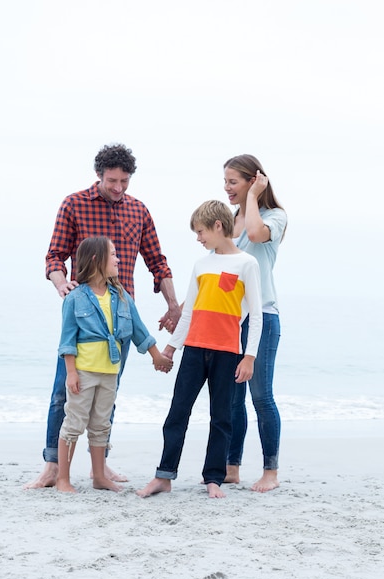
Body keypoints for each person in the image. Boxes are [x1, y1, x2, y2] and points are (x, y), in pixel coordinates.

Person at [24, 143, 181, 490]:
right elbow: (54, 256)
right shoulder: (74, 204)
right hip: (84, 318)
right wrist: (61, 283)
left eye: (125, 181)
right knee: (64, 392)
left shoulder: (138, 210)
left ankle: (100, 466)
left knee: (107, 394)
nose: (119, 187)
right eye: (113, 180)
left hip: (120, 321)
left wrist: (172, 304)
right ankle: (53, 466)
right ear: (99, 175)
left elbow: (158, 261)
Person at [136, 200, 262, 499]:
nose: (198, 238)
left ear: (218, 226)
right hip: (194, 350)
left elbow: (255, 315)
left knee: (221, 418)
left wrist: (249, 356)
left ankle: (213, 479)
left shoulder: (246, 263)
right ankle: (164, 476)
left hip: (227, 352)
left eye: (201, 231)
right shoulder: (201, 265)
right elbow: (189, 312)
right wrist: (170, 349)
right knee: (177, 413)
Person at [56, 237, 172, 493]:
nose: (119, 259)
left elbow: (139, 330)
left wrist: (156, 356)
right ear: (97, 259)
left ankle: (99, 476)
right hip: (84, 372)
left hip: (110, 372)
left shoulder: (121, 296)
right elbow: (67, 341)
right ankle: (63, 479)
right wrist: (71, 373)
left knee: (101, 424)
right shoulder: (75, 298)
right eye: (113, 254)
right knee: (74, 422)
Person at [223, 154, 287, 492]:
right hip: (232, 320)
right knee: (233, 399)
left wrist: (251, 198)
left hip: (264, 317)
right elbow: (220, 265)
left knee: (261, 397)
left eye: (233, 181)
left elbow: (255, 233)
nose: (226, 188)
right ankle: (232, 467)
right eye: (226, 181)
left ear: (253, 181)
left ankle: (270, 472)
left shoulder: (274, 217)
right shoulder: (232, 219)